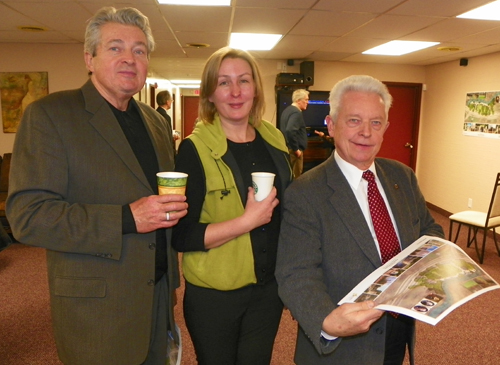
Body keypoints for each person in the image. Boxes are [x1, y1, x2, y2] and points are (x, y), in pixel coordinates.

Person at [6, 7, 187, 365]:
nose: (129, 59)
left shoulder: (155, 122)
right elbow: (27, 216)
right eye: (115, 48)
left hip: (157, 302)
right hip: (98, 309)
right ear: (89, 58)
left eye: (139, 50)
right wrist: (124, 218)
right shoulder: (50, 115)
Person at [275, 75, 444, 365]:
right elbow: (295, 273)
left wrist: (440, 262)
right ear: (331, 124)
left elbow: (429, 230)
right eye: (354, 120)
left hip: (397, 332)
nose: (366, 132)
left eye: (376, 123)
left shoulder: (402, 177)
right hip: (341, 347)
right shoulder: (305, 193)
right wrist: (326, 321)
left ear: (385, 129)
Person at [172, 46, 292, 365]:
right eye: (224, 82)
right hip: (215, 295)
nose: (236, 91)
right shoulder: (193, 150)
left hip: (269, 290)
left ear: (256, 88)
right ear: (210, 93)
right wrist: (246, 221)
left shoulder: (274, 140)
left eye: (244, 80)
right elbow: (181, 236)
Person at [280, 88, 309, 178]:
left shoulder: (287, 110)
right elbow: (290, 130)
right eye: (306, 99)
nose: (307, 102)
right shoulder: (296, 112)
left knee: (288, 176)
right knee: (296, 178)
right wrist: (296, 149)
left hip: (287, 148)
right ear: (298, 100)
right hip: (294, 151)